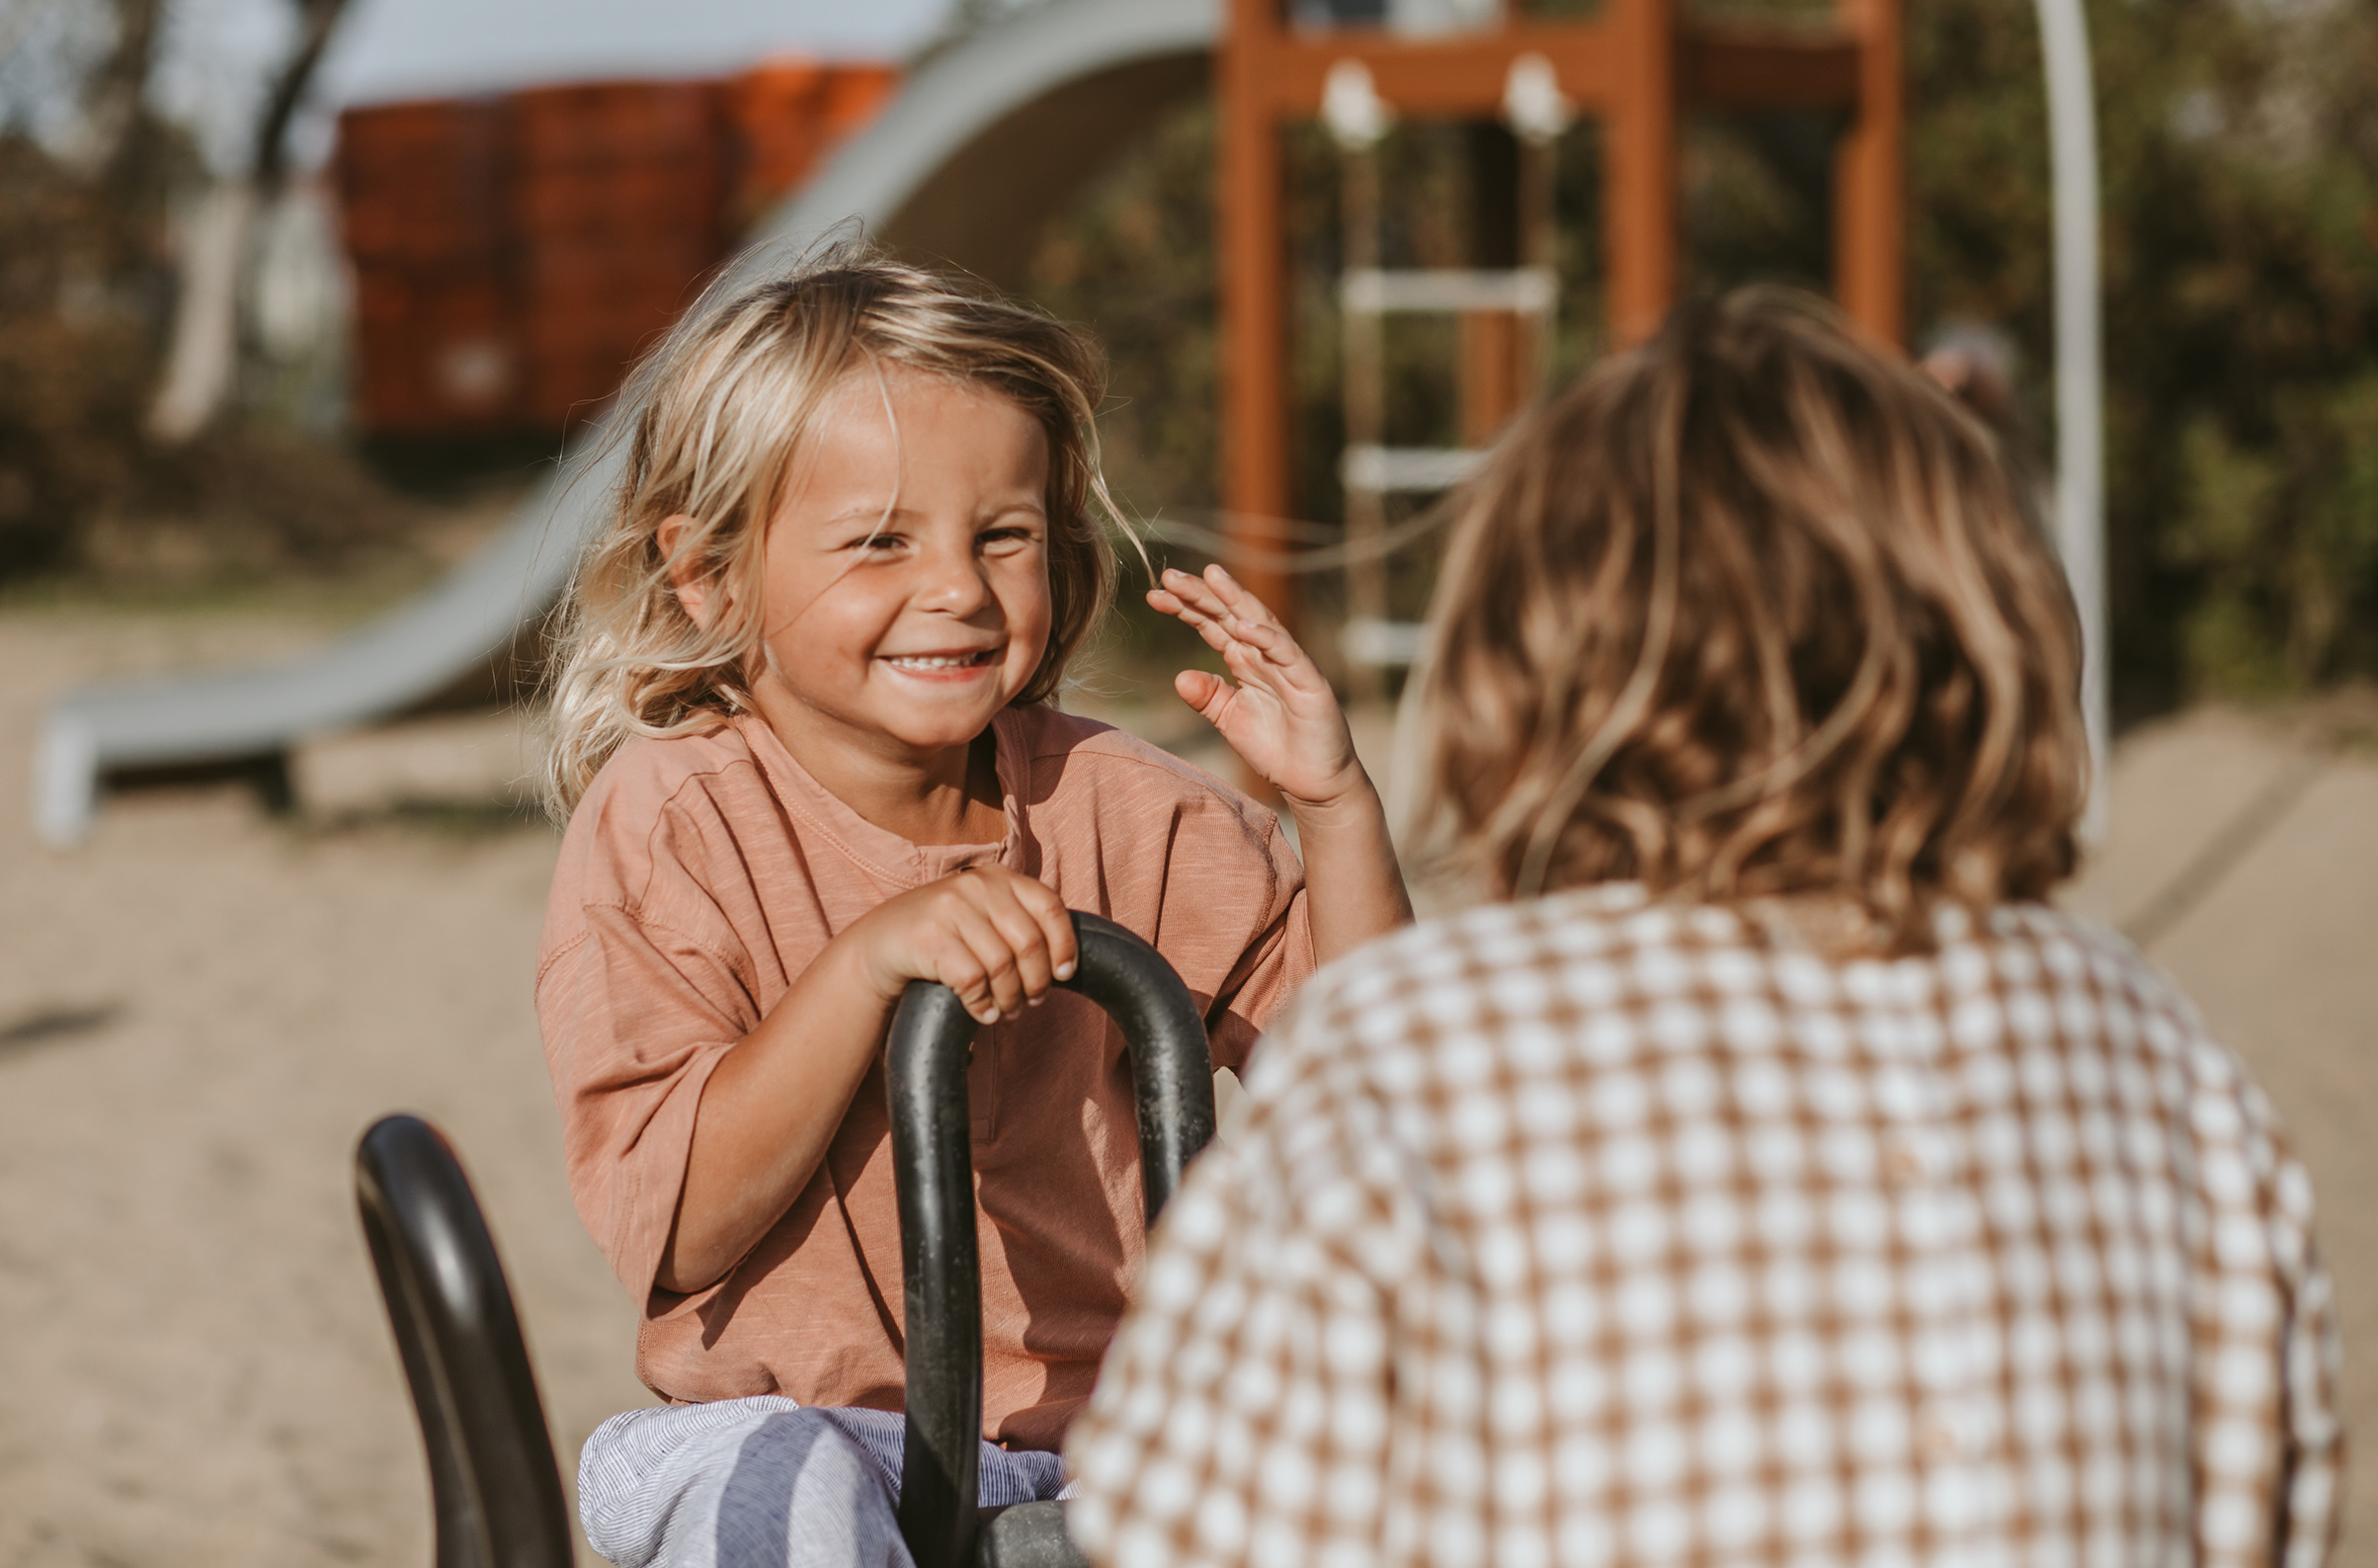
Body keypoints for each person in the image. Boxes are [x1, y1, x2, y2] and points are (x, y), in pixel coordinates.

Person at [1068, 288, 2342, 1568]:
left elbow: (1179, 1523)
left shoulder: (1430, 1046)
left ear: (1531, 654)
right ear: (1989, 625)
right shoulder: (2147, 1043)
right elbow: (2273, 1494)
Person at [531, 249, 1410, 1568]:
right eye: (880, 541)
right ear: (710, 573)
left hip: (1119, 1438)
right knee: (772, 1503)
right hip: (801, 1422)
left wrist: (1333, 808)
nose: (956, 586)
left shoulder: (1127, 809)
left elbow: (1378, 1087)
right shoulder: (675, 823)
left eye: (1003, 535)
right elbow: (688, 1225)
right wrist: (862, 972)